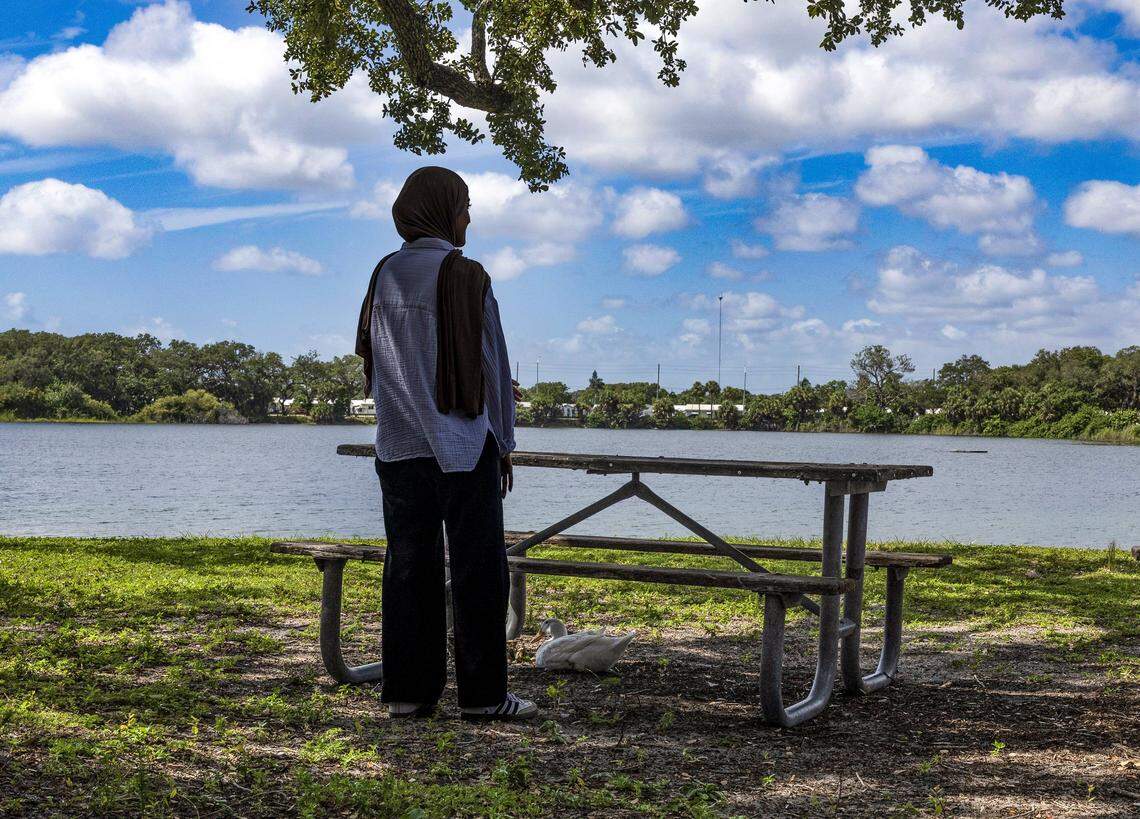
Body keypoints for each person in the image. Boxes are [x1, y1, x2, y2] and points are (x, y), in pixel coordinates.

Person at [355, 166, 537, 721]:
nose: (468, 216)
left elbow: (376, 360)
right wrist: (503, 442)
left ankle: (410, 693)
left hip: (399, 444)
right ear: (442, 210)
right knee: (480, 570)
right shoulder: (466, 275)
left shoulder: (384, 274)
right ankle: (484, 697)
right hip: (461, 444)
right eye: (464, 205)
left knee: (409, 567)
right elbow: (492, 365)